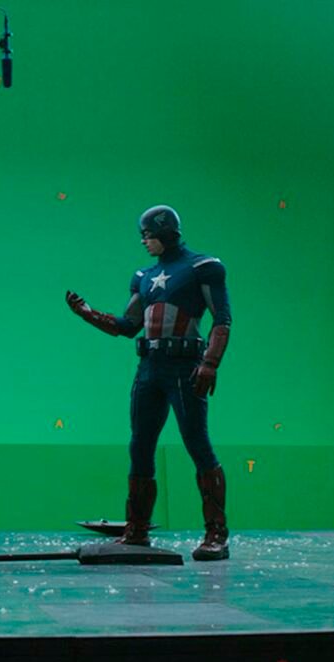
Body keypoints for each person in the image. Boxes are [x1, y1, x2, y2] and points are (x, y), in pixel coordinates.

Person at [66, 205, 232, 561]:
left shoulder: (203, 267)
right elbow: (128, 326)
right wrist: (87, 313)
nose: (144, 241)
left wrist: (210, 363)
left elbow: (222, 319)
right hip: (149, 368)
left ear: (166, 232)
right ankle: (137, 530)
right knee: (140, 446)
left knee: (197, 444)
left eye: (148, 234)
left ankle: (216, 533)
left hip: (185, 367)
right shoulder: (144, 275)